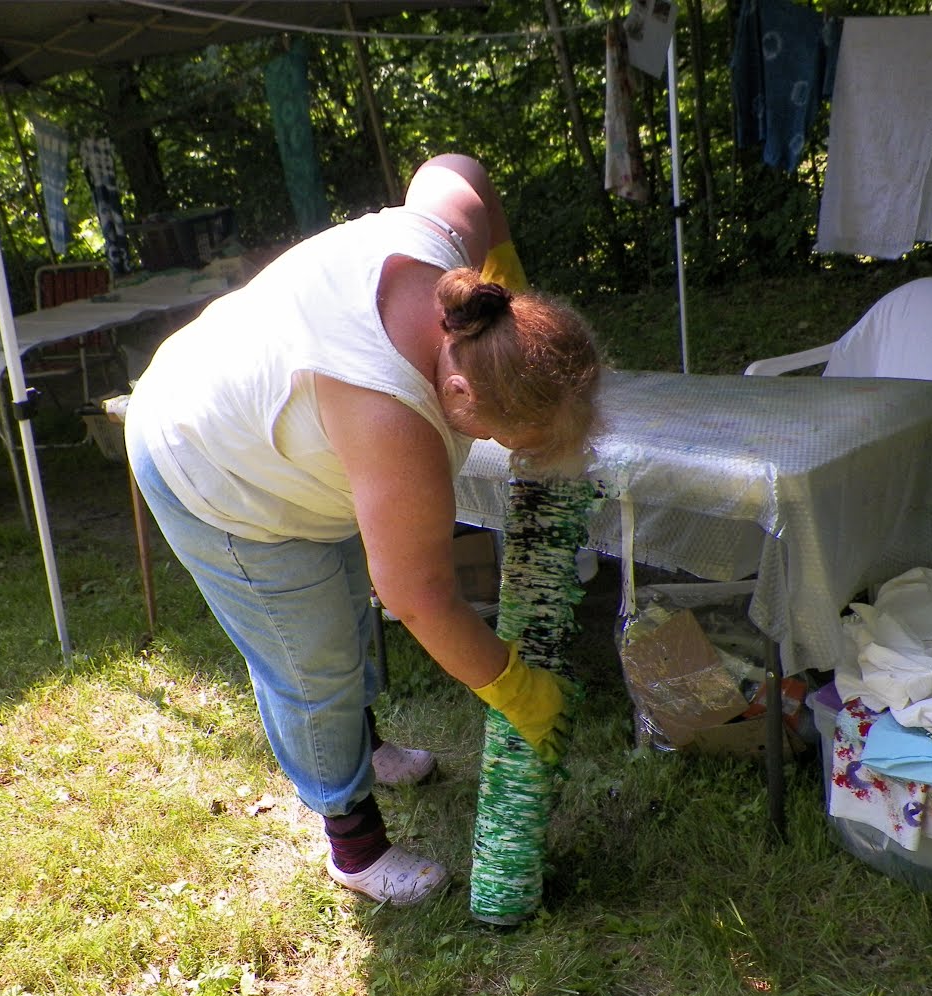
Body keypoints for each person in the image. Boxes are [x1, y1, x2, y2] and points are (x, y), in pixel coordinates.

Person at [125, 154, 602, 907]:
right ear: (455, 388)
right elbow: (418, 599)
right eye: (504, 437)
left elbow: (458, 168)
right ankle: (354, 846)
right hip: (208, 463)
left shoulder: (457, 276)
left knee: (344, 608)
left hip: (262, 414)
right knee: (311, 664)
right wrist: (520, 690)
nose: (506, 452)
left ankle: (364, 747)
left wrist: (502, 265)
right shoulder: (392, 418)